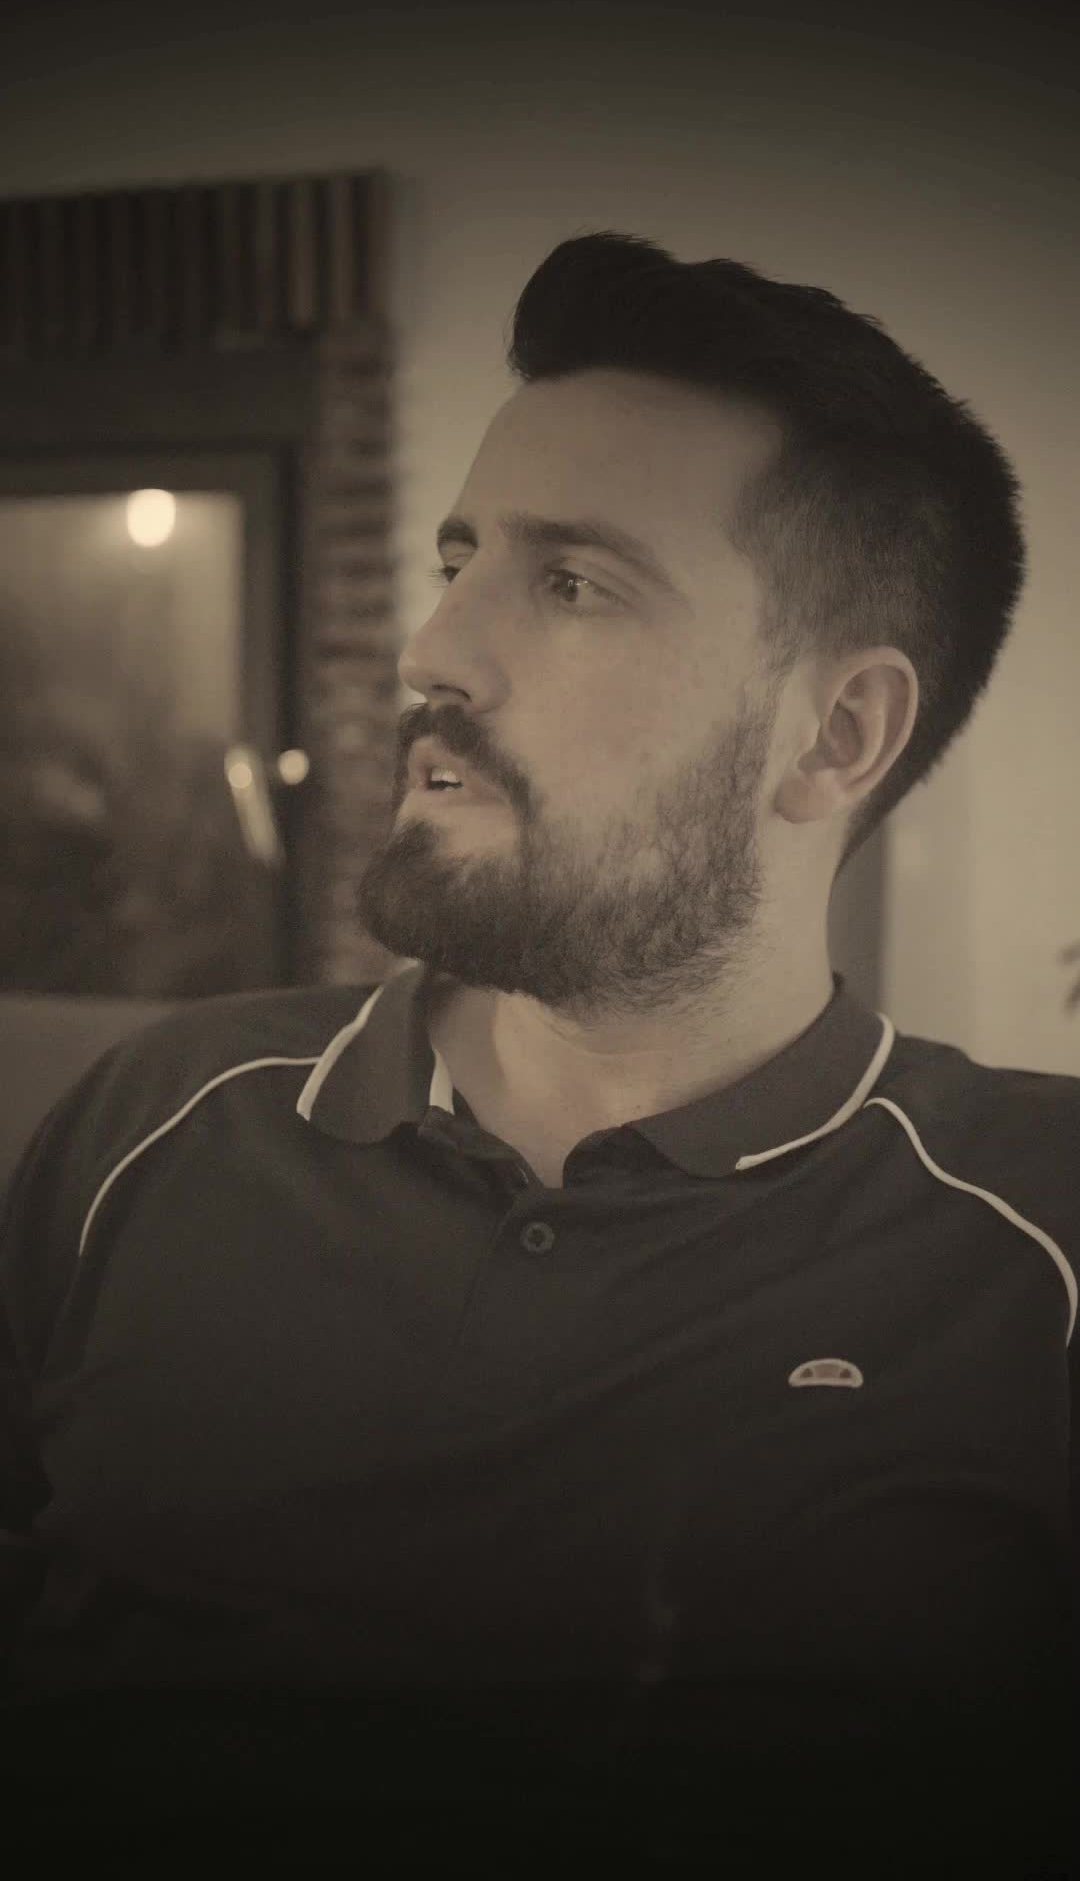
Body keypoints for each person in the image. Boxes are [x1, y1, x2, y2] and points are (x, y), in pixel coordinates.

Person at [1, 232, 1075, 1866]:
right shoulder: (158, 1119)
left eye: (572, 583)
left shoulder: (1031, 1248)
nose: (432, 652)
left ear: (835, 735)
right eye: (459, 561)